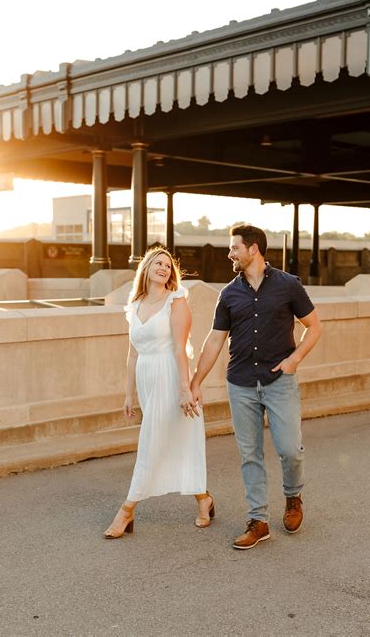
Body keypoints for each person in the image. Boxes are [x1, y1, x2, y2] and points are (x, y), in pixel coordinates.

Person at [191, 224, 322, 550]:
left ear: (253, 249)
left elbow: (315, 327)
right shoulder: (229, 294)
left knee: (290, 449)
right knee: (250, 455)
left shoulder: (288, 285)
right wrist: (195, 382)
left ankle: (293, 497)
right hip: (241, 384)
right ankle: (258, 520)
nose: (230, 253)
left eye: (234, 247)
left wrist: (294, 360)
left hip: (280, 381)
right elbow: (214, 340)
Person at [104, 247, 214, 539]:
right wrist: (129, 395)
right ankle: (204, 499)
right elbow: (132, 354)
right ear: (147, 267)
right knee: (172, 439)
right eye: (158, 263)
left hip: (169, 374)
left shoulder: (176, 301)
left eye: (168, 265)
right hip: (146, 378)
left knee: (153, 441)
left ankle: (126, 511)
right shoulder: (136, 304)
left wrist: (184, 389)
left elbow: (180, 349)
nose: (164, 267)